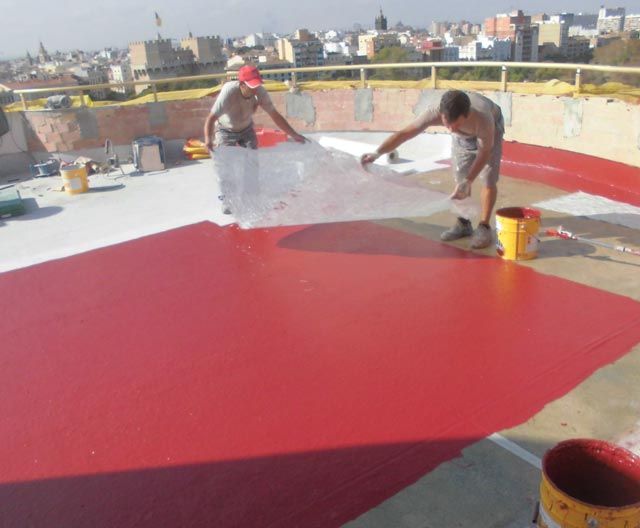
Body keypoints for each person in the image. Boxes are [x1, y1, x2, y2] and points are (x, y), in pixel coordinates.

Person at [361, 90, 504, 249]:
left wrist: (469, 180)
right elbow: (405, 134)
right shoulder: (434, 113)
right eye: (447, 124)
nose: (450, 130)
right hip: (463, 138)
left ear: (467, 115)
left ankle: (484, 227)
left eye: (456, 125)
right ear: (442, 114)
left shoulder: (484, 119)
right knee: (460, 179)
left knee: (488, 178)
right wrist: (377, 153)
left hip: (491, 131)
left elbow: (484, 153)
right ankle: (464, 224)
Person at [204, 64, 306, 151]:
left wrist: (294, 135)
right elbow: (211, 118)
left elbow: (275, 116)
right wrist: (208, 139)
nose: (255, 89)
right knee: (225, 163)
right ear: (242, 84)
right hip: (225, 130)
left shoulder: (260, 92)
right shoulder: (229, 91)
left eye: (257, 85)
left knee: (252, 162)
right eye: (252, 86)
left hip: (246, 129)